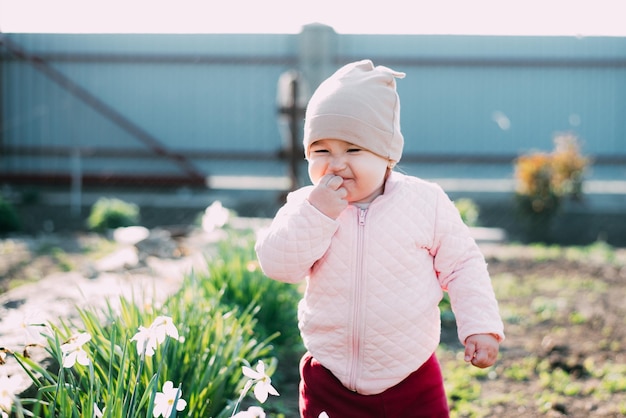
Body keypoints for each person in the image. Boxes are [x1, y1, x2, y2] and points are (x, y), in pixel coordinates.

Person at [255, 59, 505, 418]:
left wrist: (480, 326)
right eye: (322, 151)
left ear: (387, 155)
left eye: (353, 150)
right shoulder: (305, 206)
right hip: (330, 378)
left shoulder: (425, 202)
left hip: (411, 378)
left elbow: (463, 264)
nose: (336, 163)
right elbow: (278, 265)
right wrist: (317, 213)